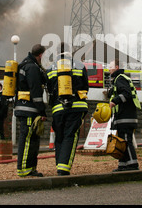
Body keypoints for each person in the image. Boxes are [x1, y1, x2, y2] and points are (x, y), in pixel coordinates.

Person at [47, 43, 89, 176]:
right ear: (70, 52)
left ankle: (60, 163)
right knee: (70, 135)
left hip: (57, 108)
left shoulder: (50, 68)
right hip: (76, 107)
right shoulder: (80, 65)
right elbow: (86, 87)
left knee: (59, 136)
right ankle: (64, 168)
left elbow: (49, 90)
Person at [15, 44, 47, 177]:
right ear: (40, 55)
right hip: (29, 110)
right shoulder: (32, 68)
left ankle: (31, 168)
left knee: (33, 140)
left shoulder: (24, 64)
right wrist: (42, 111)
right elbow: (36, 91)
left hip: (25, 108)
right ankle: (24, 169)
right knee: (28, 139)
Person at [108, 59, 141, 172]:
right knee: (122, 141)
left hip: (126, 116)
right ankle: (123, 165)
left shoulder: (120, 78)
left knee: (126, 140)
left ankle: (133, 164)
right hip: (123, 117)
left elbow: (126, 94)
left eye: (111, 66)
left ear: (117, 67)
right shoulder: (119, 79)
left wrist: (114, 101)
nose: (109, 69)